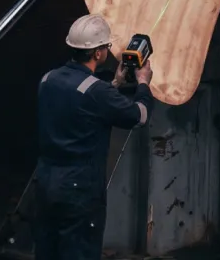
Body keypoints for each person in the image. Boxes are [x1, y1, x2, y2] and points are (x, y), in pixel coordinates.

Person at [34, 14, 154, 260]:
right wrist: (143, 82)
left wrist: (116, 82)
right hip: (79, 188)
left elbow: (80, 101)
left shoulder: (47, 79)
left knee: (48, 250)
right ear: (98, 53)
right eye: (106, 47)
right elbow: (139, 116)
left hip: (46, 181)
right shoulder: (97, 91)